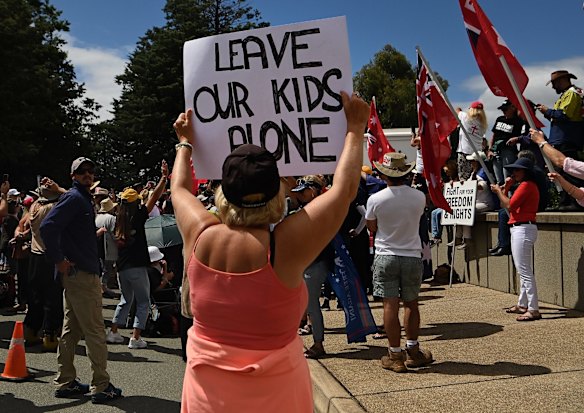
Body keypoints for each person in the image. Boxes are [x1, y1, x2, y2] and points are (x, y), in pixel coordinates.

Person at [172, 91, 369, 412]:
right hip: (279, 396)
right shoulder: (285, 246)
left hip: (206, 397)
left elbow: (179, 188)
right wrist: (355, 127)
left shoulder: (199, 232)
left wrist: (185, 143)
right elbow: (344, 191)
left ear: (223, 194)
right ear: (279, 191)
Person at [40, 157, 122, 404]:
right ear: (73, 174)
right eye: (82, 171)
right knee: (95, 330)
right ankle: (101, 385)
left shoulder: (78, 197)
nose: (88, 174)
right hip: (81, 274)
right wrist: (58, 259)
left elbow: (65, 209)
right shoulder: (76, 198)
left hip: (78, 274)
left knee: (71, 330)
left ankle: (66, 381)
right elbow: (47, 227)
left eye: (91, 171)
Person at [365, 152, 433, 373]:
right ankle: (413, 351)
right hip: (412, 255)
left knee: (389, 305)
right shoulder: (419, 196)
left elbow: (371, 227)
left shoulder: (375, 199)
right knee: (411, 304)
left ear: (385, 174)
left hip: (386, 254)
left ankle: (395, 355)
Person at [107, 160, 168, 349]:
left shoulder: (118, 218)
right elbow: (155, 197)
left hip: (122, 266)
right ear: (135, 204)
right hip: (138, 266)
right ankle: (135, 337)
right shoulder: (139, 215)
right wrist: (164, 177)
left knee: (125, 299)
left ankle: (114, 332)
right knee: (143, 301)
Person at [490, 157, 541, 321]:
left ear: (525, 172)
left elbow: (510, 205)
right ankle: (523, 304)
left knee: (524, 270)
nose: (514, 173)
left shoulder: (527, 185)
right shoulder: (526, 185)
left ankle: (533, 308)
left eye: (517, 170)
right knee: (522, 269)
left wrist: (499, 190)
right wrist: (506, 188)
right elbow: (507, 204)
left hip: (523, 228)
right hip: (521, 228)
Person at [290, 175, 334, 359]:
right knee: (308, 303)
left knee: (312, 303)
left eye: (303, 192)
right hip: (307, 263)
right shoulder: (304, 210)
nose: (300, 195)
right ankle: (316, 342)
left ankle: (318, 344)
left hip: (316, 263)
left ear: (314, 191)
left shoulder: (320, 211)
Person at [21, 183, 63, 351]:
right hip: (49, 255)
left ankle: (31, 331)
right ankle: (49, 337)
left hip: (34, 254)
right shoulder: (52, 208)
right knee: (52, 299)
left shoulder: (34, 206)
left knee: (35, 296)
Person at [536, 70, 584, 210]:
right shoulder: (566, 94)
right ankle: (564, 202)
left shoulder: (573, 93)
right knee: (561, 173)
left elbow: (564, 115)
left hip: (568, 139)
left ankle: (574, 202)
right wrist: (548, 113)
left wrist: (547, 111)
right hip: (562, 140)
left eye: (554, 83)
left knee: (570, 172)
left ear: (563, 80)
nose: (553, 87)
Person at [488, 100, 526, 185]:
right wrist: (490, 149)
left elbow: (521, 137)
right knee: (499, 181)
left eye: (505, 109)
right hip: (495, 151)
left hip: (508, 150)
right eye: (502, 110)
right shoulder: (499, 119)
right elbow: (493, 135)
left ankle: (510, 197)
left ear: (512, 108)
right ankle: (501, 197)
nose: (503, 112)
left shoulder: (518, 121)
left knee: (508, 179)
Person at [456, 101, 488, 180]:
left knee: (463, 179)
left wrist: (461, 110)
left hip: (464, 152)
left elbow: (457, 110)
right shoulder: (483, 125)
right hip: (477, 154)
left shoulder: (465, 117)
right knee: (476, 179)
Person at [95, 197, 118, 299]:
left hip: (99, 247)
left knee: (104, 268)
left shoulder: (97, 217)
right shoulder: (111, 218)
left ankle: (102, 287)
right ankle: (102, 287)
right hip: (109, 248)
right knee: (108, 269)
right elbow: (114, 234)